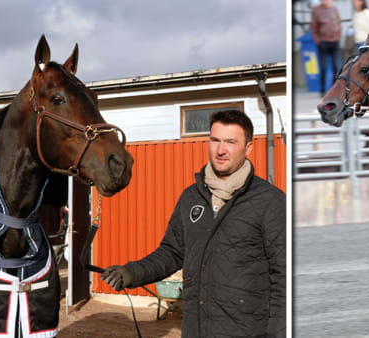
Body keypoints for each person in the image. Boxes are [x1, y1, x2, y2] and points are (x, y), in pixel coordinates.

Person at [101, 110, 286, 338]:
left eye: (230, 142)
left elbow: (284, 277)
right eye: (215, 140)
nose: (220, 150)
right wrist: (132, 272)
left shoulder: (270, 201)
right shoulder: (192, 197)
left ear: (248, 148)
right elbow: (172, 252)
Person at [310, 0, 342, 96]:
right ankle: (323, 90)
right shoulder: (316, 10)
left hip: (335, 42)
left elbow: (339, 24)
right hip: (323, 42)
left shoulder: (334, 9)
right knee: (323, 67)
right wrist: (317, 41)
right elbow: (313, 27)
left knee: (336, 67)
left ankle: (334, 89)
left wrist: (338, 37)